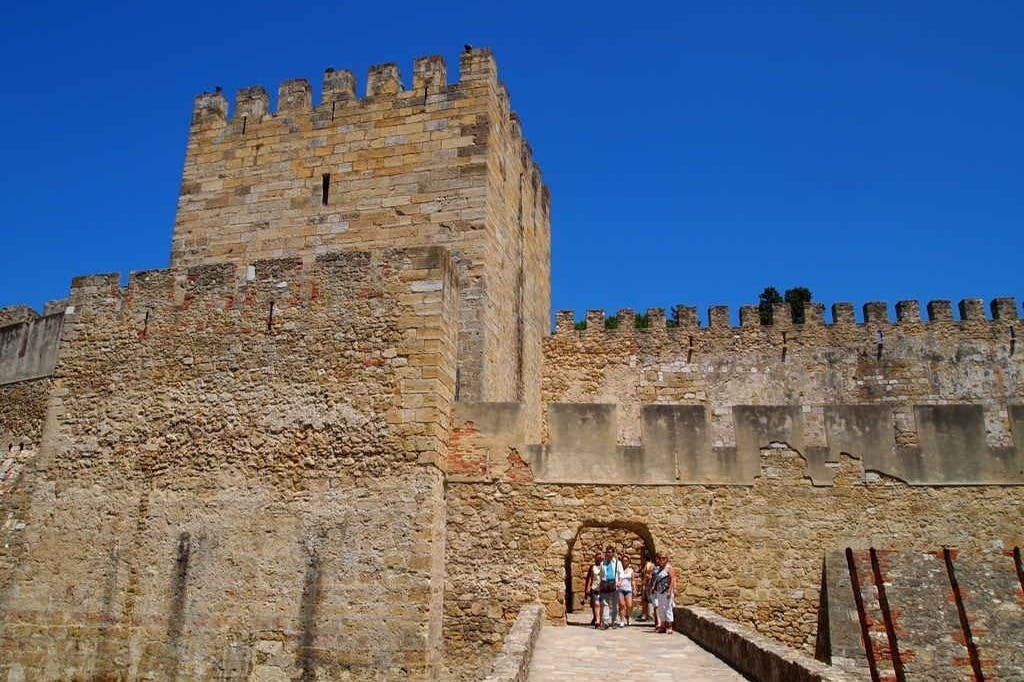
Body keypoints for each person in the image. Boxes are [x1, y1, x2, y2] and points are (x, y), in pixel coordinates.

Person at [651, 553, 678, 633]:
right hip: (660, 591)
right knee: (661, 608)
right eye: (660, 558)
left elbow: (672, 579)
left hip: (666, 591)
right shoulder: (660, 569)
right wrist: (654, 587)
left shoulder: (669, 568)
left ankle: (669, 626)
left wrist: (670, 591)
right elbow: (657, 578)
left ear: (667, 559)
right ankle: (662, 625)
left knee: (668, 608)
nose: (661, 560)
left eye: (663, 558)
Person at [598, 546, 622, 629]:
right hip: (605, 584)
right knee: (605, 603)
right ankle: (606, 622)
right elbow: (601, 575)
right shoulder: (602, 563)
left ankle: (614, 621)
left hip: (614, 584)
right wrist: (600, 585)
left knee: (614, 604)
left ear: (613, 553)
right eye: (607, 552)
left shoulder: (617, 563)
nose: (608, 554)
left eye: (610, 552)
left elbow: (621, 574)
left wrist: (619, 582)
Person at [582, 552, 603, 627]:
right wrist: (587, 588)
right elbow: (589, 578)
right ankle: (596, 618)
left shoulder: (604, 566)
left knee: (600, 604)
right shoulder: (592, 567)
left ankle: (598, 618)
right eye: (597, 557)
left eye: (600, 557)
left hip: (602, 587)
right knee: (595, 604)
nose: (599, 559)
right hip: (594, 587)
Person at [617, 554, 635, 626]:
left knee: (629, 605)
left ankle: (628, 616)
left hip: (628, 589)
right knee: (621, 604)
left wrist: (634, 588)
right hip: (620, 589)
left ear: (628, 561)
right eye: (623, 561)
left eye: (626, 561)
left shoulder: (631, 570)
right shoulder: (619, 570)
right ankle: (622, 620)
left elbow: (633, 580)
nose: (625, 562)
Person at [638, 552, 655, 623]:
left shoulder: (649, 565)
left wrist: (643, 583)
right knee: (646, 600)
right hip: (647, 585)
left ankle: (650, 615)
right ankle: (646, 615)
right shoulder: (649, 565)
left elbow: (647, 575)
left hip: (648, 585)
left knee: (649, 599)